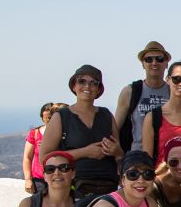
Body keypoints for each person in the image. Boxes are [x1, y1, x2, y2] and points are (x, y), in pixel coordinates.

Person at [40, 65, 121, 196]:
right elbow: (44, 157)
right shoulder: (61, 117)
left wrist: (117, 152)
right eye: (82, 81)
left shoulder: (106, 115)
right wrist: (85, 152)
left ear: (98, 89)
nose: (87, 86)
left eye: (93, 83)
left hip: (108, 188)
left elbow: (119, 154)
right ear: (74, 86)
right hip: (74, 189)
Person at [114, 40, 172, 152]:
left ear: (166, 64)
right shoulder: (130, 92)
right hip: (138, 156)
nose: (154, 63)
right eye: (149, 59)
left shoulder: (173, 92)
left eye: (159, 59)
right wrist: (119, 155)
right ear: (143, 64)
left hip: (167, 156)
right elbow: (115, 129)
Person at [22, 102, 55, 194]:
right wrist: (28, 179)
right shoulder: (35, 133)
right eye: (46, 118)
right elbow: (27, 157)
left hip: (58, 178)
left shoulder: (63, 134)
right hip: (39, 181)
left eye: (51, 117)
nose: (49, 120)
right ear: (42, 118)